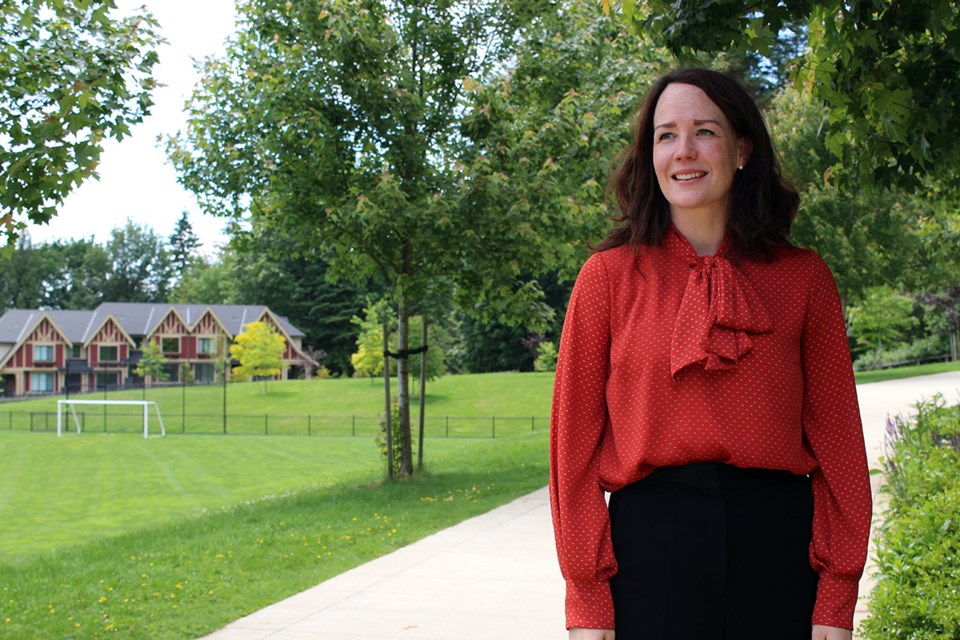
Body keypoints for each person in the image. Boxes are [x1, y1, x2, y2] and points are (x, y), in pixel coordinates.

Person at [548, 67, 872, 640]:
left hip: (779, 553)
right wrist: (587, 599)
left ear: (742, 149)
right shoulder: (607, 279)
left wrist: (836, 596)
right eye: (666, 135)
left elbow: (839, 442)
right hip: (650, 554)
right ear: (650, 155)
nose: (684, 151)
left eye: (705, 131)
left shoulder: (803, 279)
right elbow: (571, 447)